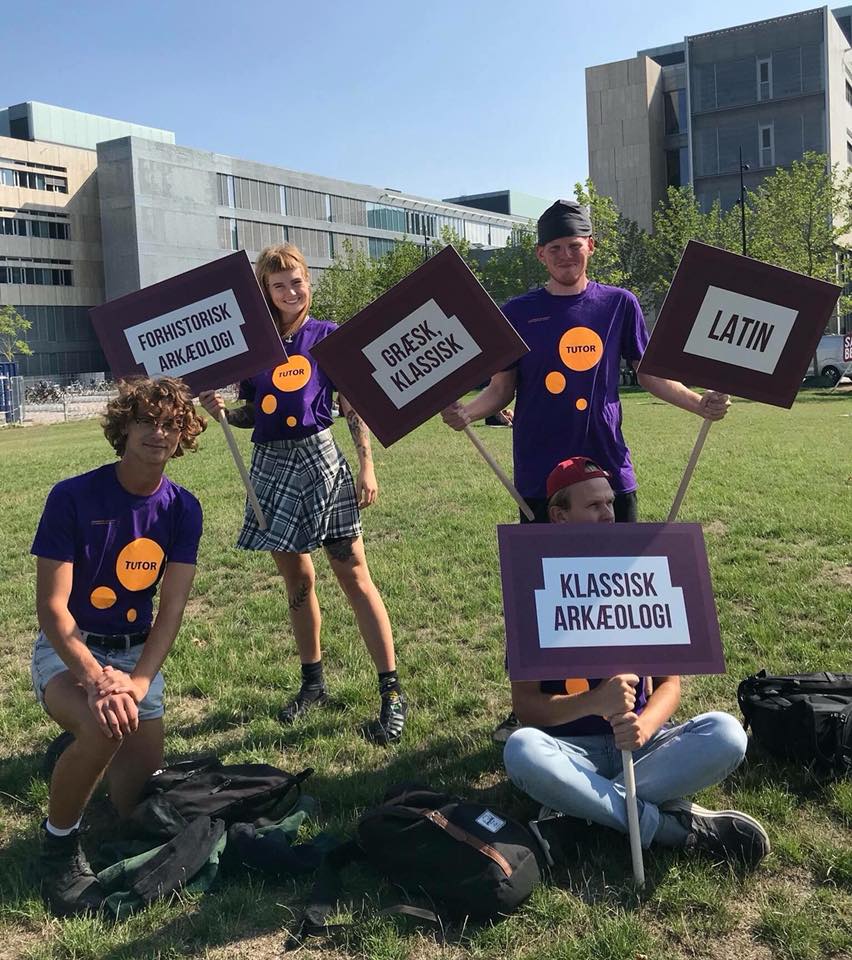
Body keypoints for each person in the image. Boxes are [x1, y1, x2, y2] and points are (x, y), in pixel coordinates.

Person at [442, 198, 730, 741]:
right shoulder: (517, 312)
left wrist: (698, 404)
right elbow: (501, 388)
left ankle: (632, 702)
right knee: (545, 598)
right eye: (556, 249)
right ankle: (540, 704)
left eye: (575, 246)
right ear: (540, 255)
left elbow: (650, 374)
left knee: (622, 592)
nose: (567, 256)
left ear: (590, 247)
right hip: (539, 480)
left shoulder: (619, 304)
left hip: (608, 478)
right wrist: (468, 413)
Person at [502, 456, 770, 868]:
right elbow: (526, 708)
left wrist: (643, 728)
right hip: (571, 750)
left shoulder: (642, 569)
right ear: (559, 515)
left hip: (647, 749)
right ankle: (669, 830)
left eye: (610, 503)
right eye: (593, 506)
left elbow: (669, 685)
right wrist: (595, 701)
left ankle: (582, 812)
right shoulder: (529, 583)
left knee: (727, 734)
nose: (608, 514)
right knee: (521, 749)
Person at [199, 243, 407, 745]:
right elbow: (255, 414)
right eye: (279, 284)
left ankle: (391, 694)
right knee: (296, 577)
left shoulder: (328, 337)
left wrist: (366, 465)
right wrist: (221, 410)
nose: (291, 291)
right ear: (266, 292)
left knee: (353, 572)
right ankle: (312, 684)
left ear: (308, 281)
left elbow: (350, 405)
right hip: (270, 463)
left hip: (322, 460)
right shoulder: (256, 347)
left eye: (297, 281)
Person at [31, 376, 206, 915]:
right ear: (123, 427)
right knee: (104, 725)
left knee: (132, 807)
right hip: (70, 650)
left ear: (184, 437)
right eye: (148, 421)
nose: (159, 433)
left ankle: (74, 756)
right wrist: (97, 679)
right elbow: (53, 611)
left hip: (134, 656)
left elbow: (171, 609)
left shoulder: (183, 508)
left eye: (172, 425)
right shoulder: (72, 496)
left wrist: (138, 680)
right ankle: (57, 845)